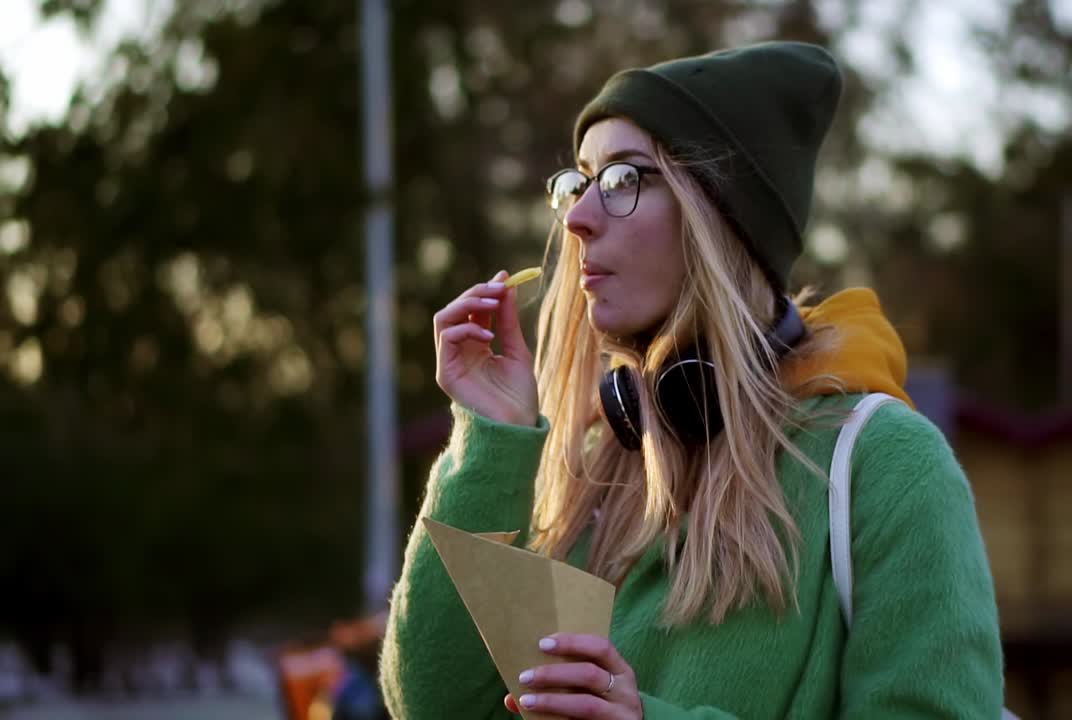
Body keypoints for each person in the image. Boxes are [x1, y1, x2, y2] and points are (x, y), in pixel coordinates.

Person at [379, 41, 1004, 719]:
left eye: (622, 180)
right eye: (579, 182)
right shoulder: (585, 478)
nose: (579, 219)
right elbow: (433, 706)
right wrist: (490, 437)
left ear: (722, 218)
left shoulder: (887, 468)